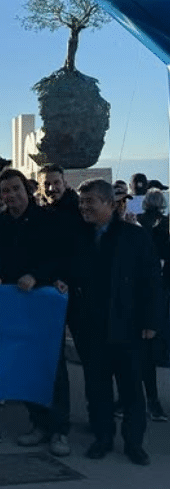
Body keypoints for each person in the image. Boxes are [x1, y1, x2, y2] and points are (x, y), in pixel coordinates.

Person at [67, 179, 162, 465]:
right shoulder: (78, 236)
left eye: (90, 201)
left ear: (109, 203)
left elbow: (151, 281)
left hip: (128, 324)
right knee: (97, 387)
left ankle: (134, 442)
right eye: (82, 201)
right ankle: (103, 437)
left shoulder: (134, 236)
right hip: (91, 325)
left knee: (131, 387)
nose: (84, 207)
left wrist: (151, 322)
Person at [0, 169, 71, 456]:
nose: (11, 195)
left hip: (44, 303)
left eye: (16, 189)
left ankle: (59, 429)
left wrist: (37, 276)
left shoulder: (49, 219)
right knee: (27, 365)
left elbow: (62, 256)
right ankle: (39, 423)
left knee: (53, 365)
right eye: (5, 191)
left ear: (27, 190)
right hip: (13, 304)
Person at [135, 188, 169, 422]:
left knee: (138, 352)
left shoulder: (138, 223)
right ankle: (153, 401)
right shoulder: (165, 225)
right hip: (160, 294)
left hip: (139, 294)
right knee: (151, 350)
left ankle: (134, 399)